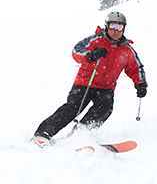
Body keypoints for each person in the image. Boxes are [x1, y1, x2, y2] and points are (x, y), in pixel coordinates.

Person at [32, 11, 147, 147]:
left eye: (120, 27)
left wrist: (140, 84)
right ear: (107, 26)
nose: (116, 31)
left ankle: (79, 136)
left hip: (106, 88)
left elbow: (136, 67)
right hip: (85, 83)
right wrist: (90, 55)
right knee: (72, 109)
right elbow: (76, 51)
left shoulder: (126, 50)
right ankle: (43, 134)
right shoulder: (95, 40)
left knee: (105, 110)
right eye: (113, 26)